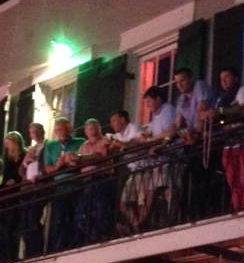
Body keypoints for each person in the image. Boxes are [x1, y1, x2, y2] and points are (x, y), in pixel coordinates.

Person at [121, 88, 176, 231]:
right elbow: (144, 134)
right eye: (146, 102)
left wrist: (151, 140)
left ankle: (169, 220)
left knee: (165, 191)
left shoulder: (168, 110)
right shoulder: (156, 117)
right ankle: (140, 225)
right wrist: (133, 142)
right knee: (152, 192)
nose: (147, 105)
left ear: (158, 99)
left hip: (170, 157)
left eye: (149, 101)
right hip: (159, 160)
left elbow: (170, 131)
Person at [209, 66, 244, 211]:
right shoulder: (221, 99)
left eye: (227, 77)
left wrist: (221, 111)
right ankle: (238, 207)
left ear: (236, 78)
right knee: (232, 180)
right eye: (221, 79)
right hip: (228, 143)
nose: (224, 81)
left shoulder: (243, 90)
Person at [168, 68, 214, 221]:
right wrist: (164, 140)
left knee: (201, 178)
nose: (180, 85)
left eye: (183, 81)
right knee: (188, 177)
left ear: (191, 79)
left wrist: (196, 132)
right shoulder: (181, 99)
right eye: (177, 82)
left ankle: (202, 212)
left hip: (206, 139)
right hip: (191, 140)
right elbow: (177, 123)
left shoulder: (199, 86)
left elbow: (202, 110)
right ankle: (188, 214)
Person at [42, 117, 85, 251]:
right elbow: (47, 168)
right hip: (60, 185)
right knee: (60, 217)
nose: (63, 131)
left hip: (77, 182)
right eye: (60, 129)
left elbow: (85, 159)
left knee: (77, 215)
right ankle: (58, 247)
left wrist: (74, 160)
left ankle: (75, 245)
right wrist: (58, 166)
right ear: (55, 131)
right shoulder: (50, 146)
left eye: (66, 128)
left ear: (70, 129)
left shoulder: (80, 142)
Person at [75, 118, 115, 244]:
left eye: (94, 127)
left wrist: (83, 159)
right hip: (86, 181)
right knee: (81, 214)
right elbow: (76, 163)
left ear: (99, 128)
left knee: (100, 210)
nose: (92, 130)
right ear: (86, 131)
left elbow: (102, 156)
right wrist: (88, 158)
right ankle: (92, 237)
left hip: (101, 179)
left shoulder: (105, 140)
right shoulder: (83, 146)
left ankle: (100, 237)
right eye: (89, 128)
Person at [20, 123, 47, 258]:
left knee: (33, 218)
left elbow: (46, 164)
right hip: (28, 188)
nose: (34, 134)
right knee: (25, 220)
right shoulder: (31, 148)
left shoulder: (47, 145)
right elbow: (21, 171)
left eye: (36, 131)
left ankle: (36, 250)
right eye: (32, 132)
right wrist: (26, 161)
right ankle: (28, 250)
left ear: (42, 131)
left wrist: (40, 173)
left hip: (39, 187)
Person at [0, 131, 27, 262]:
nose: (7, 146)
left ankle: (11, 255)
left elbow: (25, 172)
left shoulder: (24, 155)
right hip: (8, 195)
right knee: (5, 227)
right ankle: (5, 256)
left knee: (14, 226)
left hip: (19, 193)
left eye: (8, 142)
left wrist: (16, 180)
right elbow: (4, 177)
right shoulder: (7, 159)